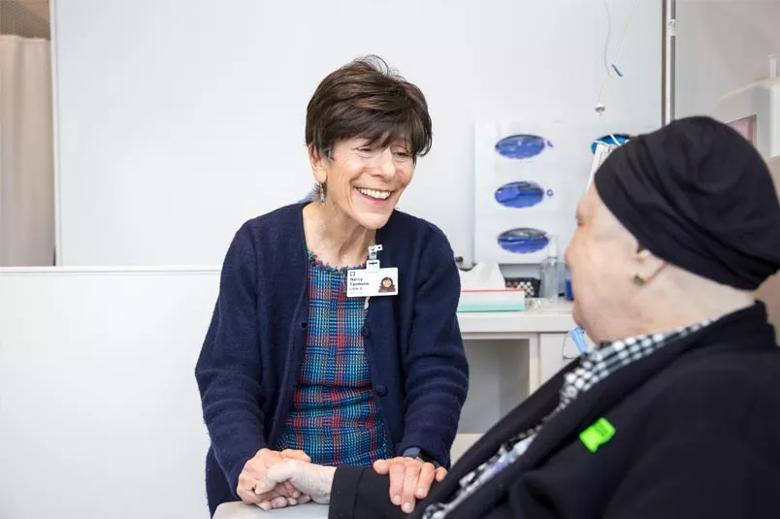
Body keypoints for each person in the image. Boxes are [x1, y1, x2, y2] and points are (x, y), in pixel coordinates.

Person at [255, 116, 780, 518]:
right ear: (320, 159)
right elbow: (494, 482)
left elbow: (440, 377)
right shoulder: (643, 370)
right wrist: (324, 481)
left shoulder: (722, 413)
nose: (569, 254)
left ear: (645, 251)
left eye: (582, 225)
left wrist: (408, 458)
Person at [195, 56, 469, 515]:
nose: (387, 171)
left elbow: (437, 371)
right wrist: (251, 460)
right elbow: (226, 375)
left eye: (402, 154)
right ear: (319, 159)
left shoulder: (423, 249)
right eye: (367, 149)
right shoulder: (260, 245)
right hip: (279, 487)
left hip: (377, 485)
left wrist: (417, 455)